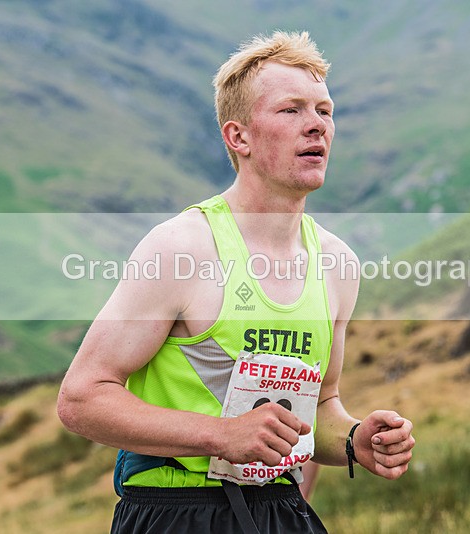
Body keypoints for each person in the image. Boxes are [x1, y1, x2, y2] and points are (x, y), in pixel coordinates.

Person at [57, 30, 415, 534]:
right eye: (291, 111)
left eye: (325, 111)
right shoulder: (182, 247)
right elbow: (81, 399)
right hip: (172, 514)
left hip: (280, 512)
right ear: (239, 136)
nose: (315, 126)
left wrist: (356, 440)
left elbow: (321, 408)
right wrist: (220, 435)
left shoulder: (337, 263)